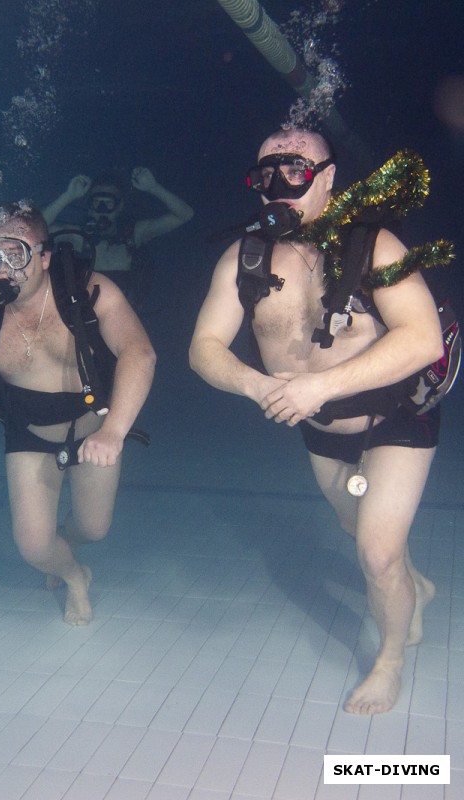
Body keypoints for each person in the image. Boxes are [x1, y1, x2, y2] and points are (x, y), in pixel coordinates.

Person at [189, 127, 445, 715]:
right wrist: (257, 385)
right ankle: (416, 586)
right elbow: (204, 347)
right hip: (319, 429)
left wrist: (319, 385)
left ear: (329, 178)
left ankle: (389, 660)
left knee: (377, 554)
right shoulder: (246, 258)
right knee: (361, 534)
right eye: (265, 177)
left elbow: (424, 338)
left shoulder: (373, 247)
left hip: (397, 417)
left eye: (296, 173)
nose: (279, 188)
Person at [0, 201, 156, 626]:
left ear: (44, 257)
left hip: (95, 431)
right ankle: (75, 576)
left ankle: (68, 549)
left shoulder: (91, 293)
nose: (2, 268)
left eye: (15, 253)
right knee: (34, 547)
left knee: (93, 529)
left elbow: (139, 353)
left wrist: (114, 431)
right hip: (28, 437)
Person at [42, 167, 194, 299]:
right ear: (89, 207)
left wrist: (153, 187)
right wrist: (67, 196)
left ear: (120, 206)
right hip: (81, 317)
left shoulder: (135, 234)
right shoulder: (78, 237)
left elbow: (185, 214)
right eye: (97, 203)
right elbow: (34, 230)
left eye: (109, 203)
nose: (102, 209)